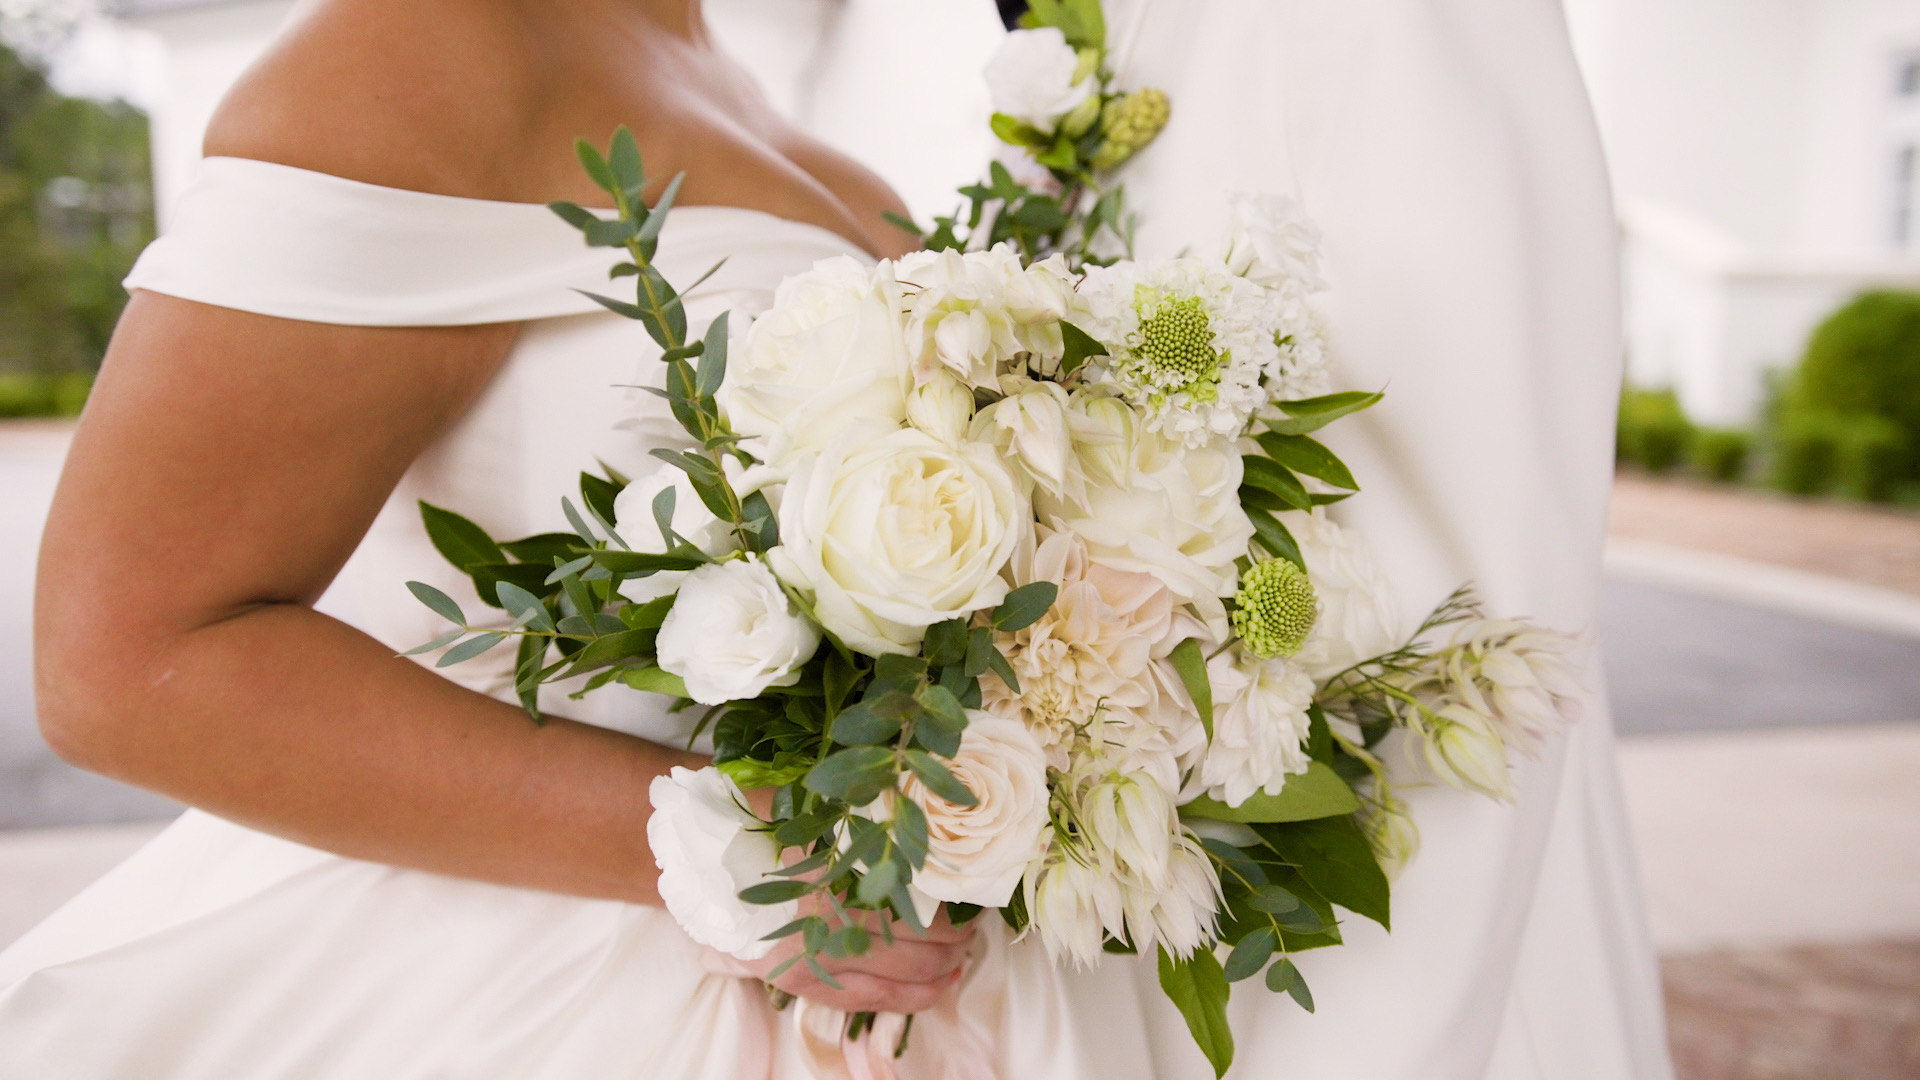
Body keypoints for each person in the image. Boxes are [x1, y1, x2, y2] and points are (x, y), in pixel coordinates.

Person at [1, 0, 987, 1074]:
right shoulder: (422, 44)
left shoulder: (769, 110)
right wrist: (732, 849)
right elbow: (122, 663)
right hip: (543, 993)